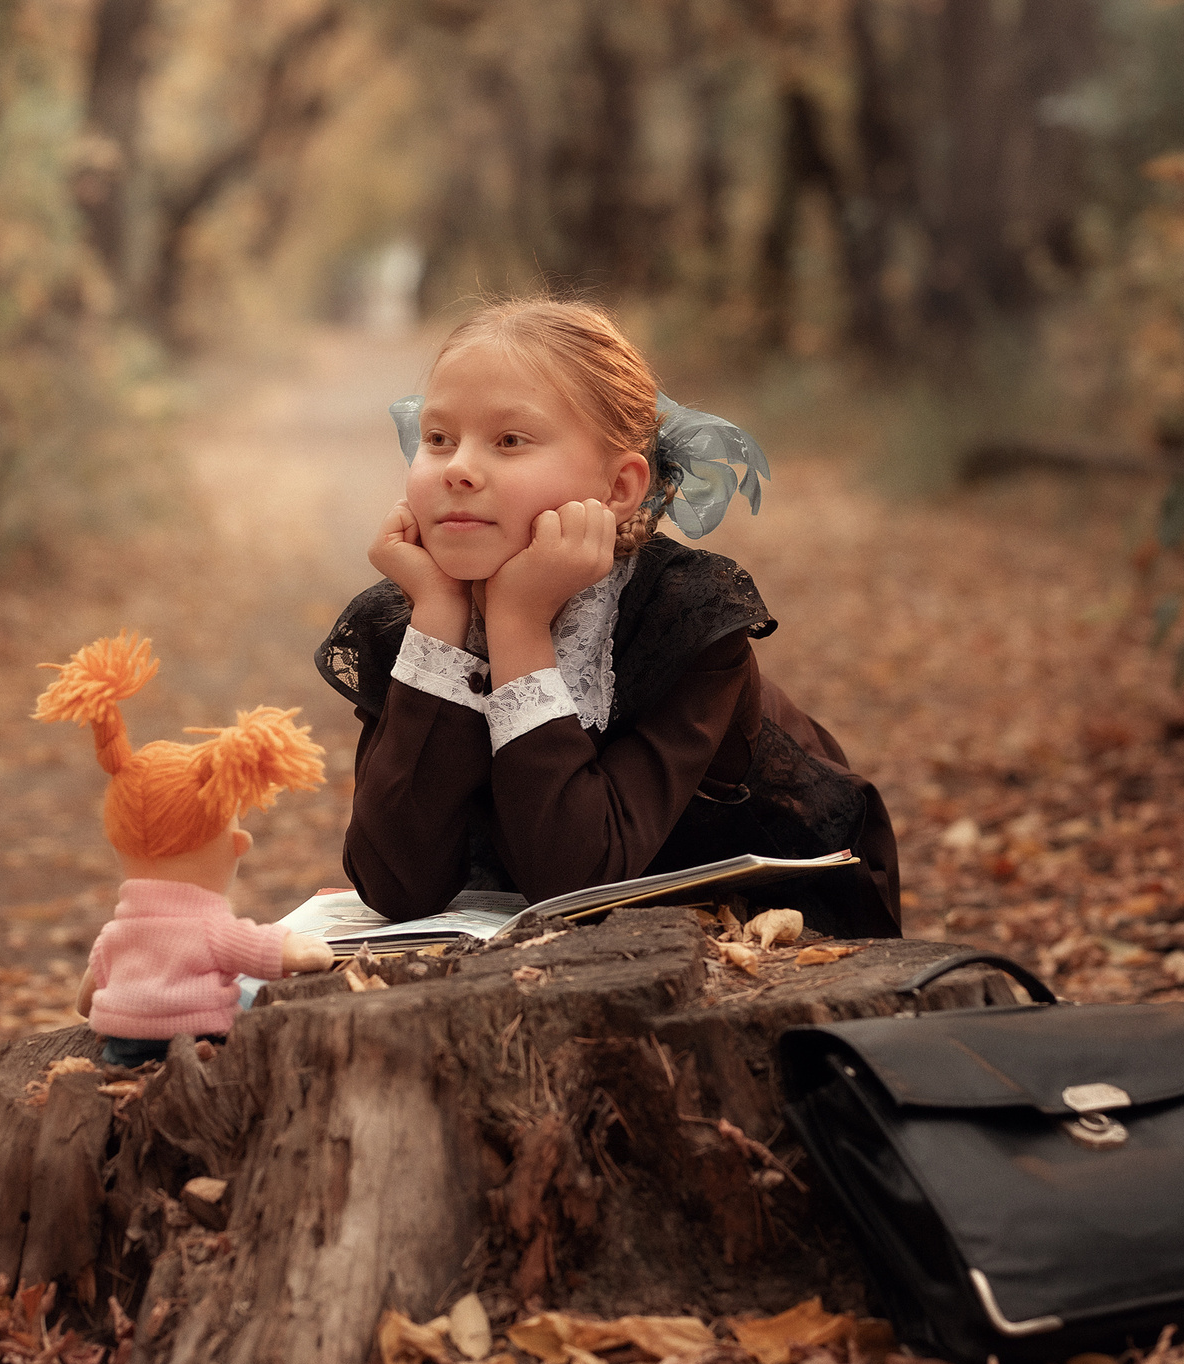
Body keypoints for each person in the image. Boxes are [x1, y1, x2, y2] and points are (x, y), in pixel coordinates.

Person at [315, 297, 905, 937]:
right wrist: (438, 617)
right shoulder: (413, 613)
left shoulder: (687, 619)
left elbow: (577, 878)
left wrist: (518, 626)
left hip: (769, 909)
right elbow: (396, 885)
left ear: (619, 489)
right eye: (437, 439)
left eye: (510, 440)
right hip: (542, 908)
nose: (457, 468)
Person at [33, 631, 335, 1066]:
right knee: (260, 1009)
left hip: (121, 1045)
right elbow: (273, 950)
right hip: (201, 1037)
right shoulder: (210, 929)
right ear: (235, 844)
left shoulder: (116, 934)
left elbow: (86, 1000)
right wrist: (310, 948)